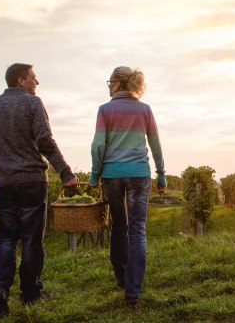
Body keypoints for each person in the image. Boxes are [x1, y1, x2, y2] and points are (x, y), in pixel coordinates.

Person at [0, 63, 80, 318]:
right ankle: (30, 292)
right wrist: (65, 172)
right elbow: (44, 141)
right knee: (31, 239)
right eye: (33, 78)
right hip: (31, 181)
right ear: (20, 80)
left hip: (2, 183)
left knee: (6, 238)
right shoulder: (32, 104)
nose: (36, 83)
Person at [88, 66, 166, 308]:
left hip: (111, 175)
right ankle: (133, 290)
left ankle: (122, 277)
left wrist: (94, 175)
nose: (108, 85)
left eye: (110, 82)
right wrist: (161, 173)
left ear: (118, 84)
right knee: (138, 230)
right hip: (139, 174)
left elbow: (98, 146)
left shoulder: (105, 110)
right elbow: (155, 143)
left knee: (119, 227)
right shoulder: (144, 110)